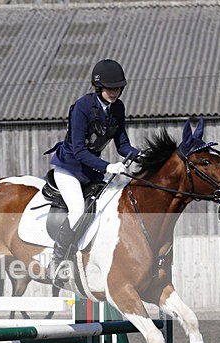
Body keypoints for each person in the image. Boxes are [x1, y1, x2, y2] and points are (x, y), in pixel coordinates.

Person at [44, 59, 140, 287]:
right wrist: (108, 166)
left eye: (118, 88)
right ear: (99, 87)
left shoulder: (118, 108)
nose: (114, 92)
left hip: (93, 171)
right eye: (110, 88)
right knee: (78, 210)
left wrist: (139, 154)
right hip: (69, 168)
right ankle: (56, 261)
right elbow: (78, 150)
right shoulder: (82, 107)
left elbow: (122, 144)